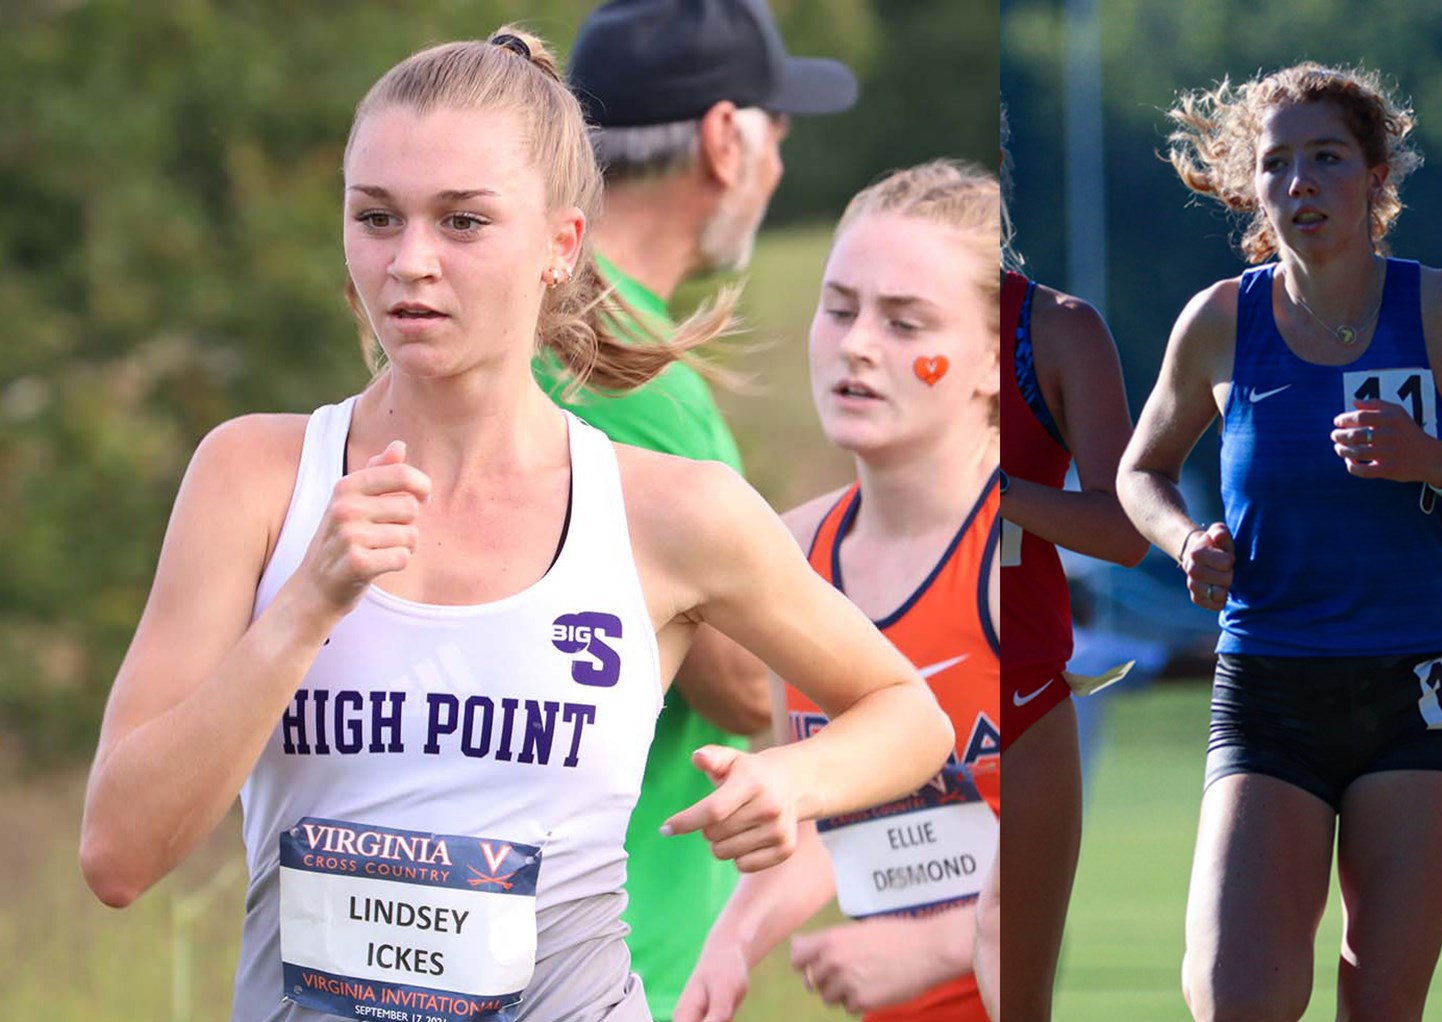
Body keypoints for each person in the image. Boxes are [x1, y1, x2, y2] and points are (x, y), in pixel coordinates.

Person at [75, 28, 951, 1022]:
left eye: (461, 221)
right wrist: (302, 607)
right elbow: (117, 852)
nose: (409, 262)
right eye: (375, 217)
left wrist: (796, 777)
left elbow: (905, 708)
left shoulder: (668, 508)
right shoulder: (255, 477)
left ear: (560, 244)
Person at [1118, 62, 1442, 1021]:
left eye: (1327, 158)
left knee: (1380, 1004)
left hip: (1422, 685)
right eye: (1278, 164)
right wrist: (1187, 537)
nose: (1302, 184)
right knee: (1233, 995)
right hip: (1269, 681)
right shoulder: (1219, 321)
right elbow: (1137, 472)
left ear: (1375, 177)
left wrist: (1437, 463)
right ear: (1254, 186)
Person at [556, 1, 859, 1011]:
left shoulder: (520, 323)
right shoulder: (633, 373)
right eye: (776, 131)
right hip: (613, 944)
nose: (776, 166)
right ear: (726, 140)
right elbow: (747, 684)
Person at [674, 160, 1002, 1022]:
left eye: (906, 322)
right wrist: (733, 943)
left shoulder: (1021, 555)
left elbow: (1097, 849)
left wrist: (938, 947)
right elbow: (837, 820)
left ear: (995, 361)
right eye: (841, 307)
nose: (858, 344)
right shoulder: (789, 552)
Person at [994, 104, 1150, 1021]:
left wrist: (995, 493)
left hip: (1021, 701)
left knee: (1016, 1001)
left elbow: (1126, 530)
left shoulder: (1056, 329)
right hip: (893, 692)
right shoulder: (877, 326)